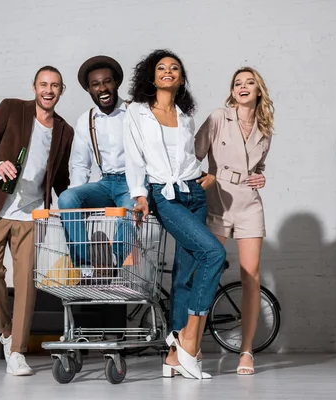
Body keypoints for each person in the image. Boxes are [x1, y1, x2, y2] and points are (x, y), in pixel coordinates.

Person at [123, 49, 226, 380]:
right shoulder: (137, 113)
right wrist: (140, 195)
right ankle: (188, 339)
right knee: (214, 253)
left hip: (193, 193)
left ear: (181, 79)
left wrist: (206, 175)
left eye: (175, 68)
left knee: (186, 272)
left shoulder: (185, 116)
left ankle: (173, 356)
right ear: (151, 77)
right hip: (163, 196)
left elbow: (188, 157)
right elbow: (134, 158)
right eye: (162, 68)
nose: (168, 71)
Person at [0, 66, 74, 376]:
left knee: (27, 282)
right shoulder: (11, 108)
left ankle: (17, 352)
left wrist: (72, 207)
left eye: (54, 85)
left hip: (32, 215)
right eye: (43, 84)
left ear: (61, 90)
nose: (48, 90)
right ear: (34, 87)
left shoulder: (64, 131)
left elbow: (62, 178)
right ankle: (6, 330)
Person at [194, 66, 274, 375]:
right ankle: (192, 345)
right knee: (208, 271)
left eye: (249, 82)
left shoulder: (264, 128)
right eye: (237, 83)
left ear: (258, 91)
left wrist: (261, 177)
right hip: (218, 200)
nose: (242, 87)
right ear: (232, 91)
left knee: (251, 274)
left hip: (249, 205)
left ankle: (246, 351)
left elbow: (259, 164)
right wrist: (207, 177)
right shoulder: (218, 117)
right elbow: (193, 155)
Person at [57, 56, 134, 282]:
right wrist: (78, 202)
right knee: (67, 198)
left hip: (133, 183)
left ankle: (110, 264)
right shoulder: (86, 120)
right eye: (96, 84)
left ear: (116, 83)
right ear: (89, 90)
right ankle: (86, 268)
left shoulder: (135, 112)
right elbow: (80, 164)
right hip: (105, 182)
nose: (103, 88)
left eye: (107, 81)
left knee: (130, 208)